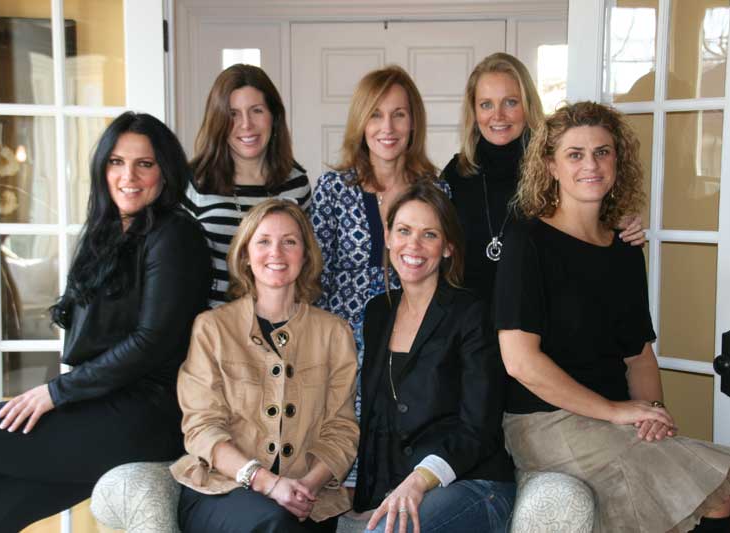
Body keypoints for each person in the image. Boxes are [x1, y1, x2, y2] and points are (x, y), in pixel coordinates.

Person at [497, 101, 730, 532]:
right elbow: (521, 362)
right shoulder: (527, 242)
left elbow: (639, 357)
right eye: (575, 154)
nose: (591, 165)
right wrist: (615, 411)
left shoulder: (625, 250)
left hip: (614, 417)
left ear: (617, 161)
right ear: (551, 166)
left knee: (719, 493)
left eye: (602, 152)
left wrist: (654, 414)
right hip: (545, 422)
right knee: (712, 494)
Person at [0, 112, 212, 531]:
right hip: (97, 406)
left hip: (142, 415)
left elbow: (151, 341)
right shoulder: (108, 231)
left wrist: (55, 393)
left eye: (144, 164)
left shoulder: (175, 235)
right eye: (116, 162)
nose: (128, 176)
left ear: (165, 172)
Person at [171, 199, 359, 533]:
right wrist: (267, 483)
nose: (276, 252)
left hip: (307, 500)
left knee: (283, 521)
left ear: (305, 255)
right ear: (245, 254)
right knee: (274, 522)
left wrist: (306, 488)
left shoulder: (334, 333)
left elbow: (341, 430)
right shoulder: (212, 328)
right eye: (263, 241)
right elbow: (202, 427)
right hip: (223, 490)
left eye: (290, 242)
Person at [310, 67, 448, 486]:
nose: (387, 127)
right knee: (343, 459)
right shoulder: (333, 188)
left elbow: (447, 270)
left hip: (412, 332)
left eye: (399, 114)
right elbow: (313, 275)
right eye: (375, 114)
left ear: (414, 122)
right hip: (344, 339)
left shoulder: (436, 190)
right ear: (360, 121)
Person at [353, 182, 516, 533]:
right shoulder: (378, 312)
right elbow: (379, 417)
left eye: (429, 234)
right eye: (404, 231)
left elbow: (478, 428)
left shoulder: (471, 313)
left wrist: (418, 481)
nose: (413, 245)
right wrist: (372, 498)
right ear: (388, 238)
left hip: (473, 483)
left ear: (447, 247)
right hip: (406, 488)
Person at [441, 52, 644, 305]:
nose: (498, 115)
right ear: (473, 111)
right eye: (486, 104)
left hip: (537, 315)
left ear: (528, 105)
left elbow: (586, 230)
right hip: (465, 318)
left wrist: (615, 221)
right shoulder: (456, 173)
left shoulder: (555, 167)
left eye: (510, 102)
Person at [184, 63, 311, 307]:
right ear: (218, 120)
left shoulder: (296, 183)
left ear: (274, 116)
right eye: (233, 114)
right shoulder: (193, 182)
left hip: (280, 322)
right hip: (213, 322)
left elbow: (305, 264)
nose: (246, 124)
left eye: (256, 111)